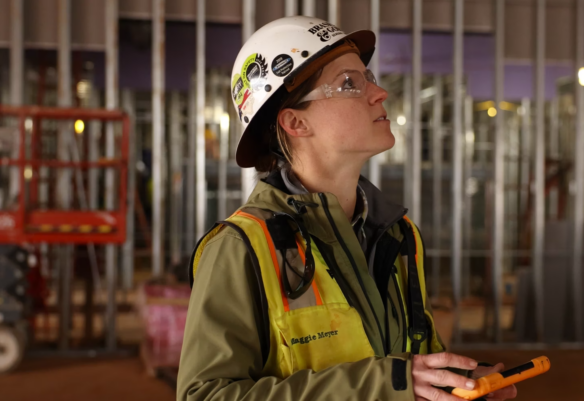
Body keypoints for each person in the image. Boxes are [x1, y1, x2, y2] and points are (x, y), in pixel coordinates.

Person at [177, 16, 518, 401]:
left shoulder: (397, 232)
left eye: (367, 76)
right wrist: (384, 385)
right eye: (349, 83)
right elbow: (204, 395)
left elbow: (406, 367)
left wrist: (457, 384)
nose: (379, 93)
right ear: (295, 122)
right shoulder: (243, 248)